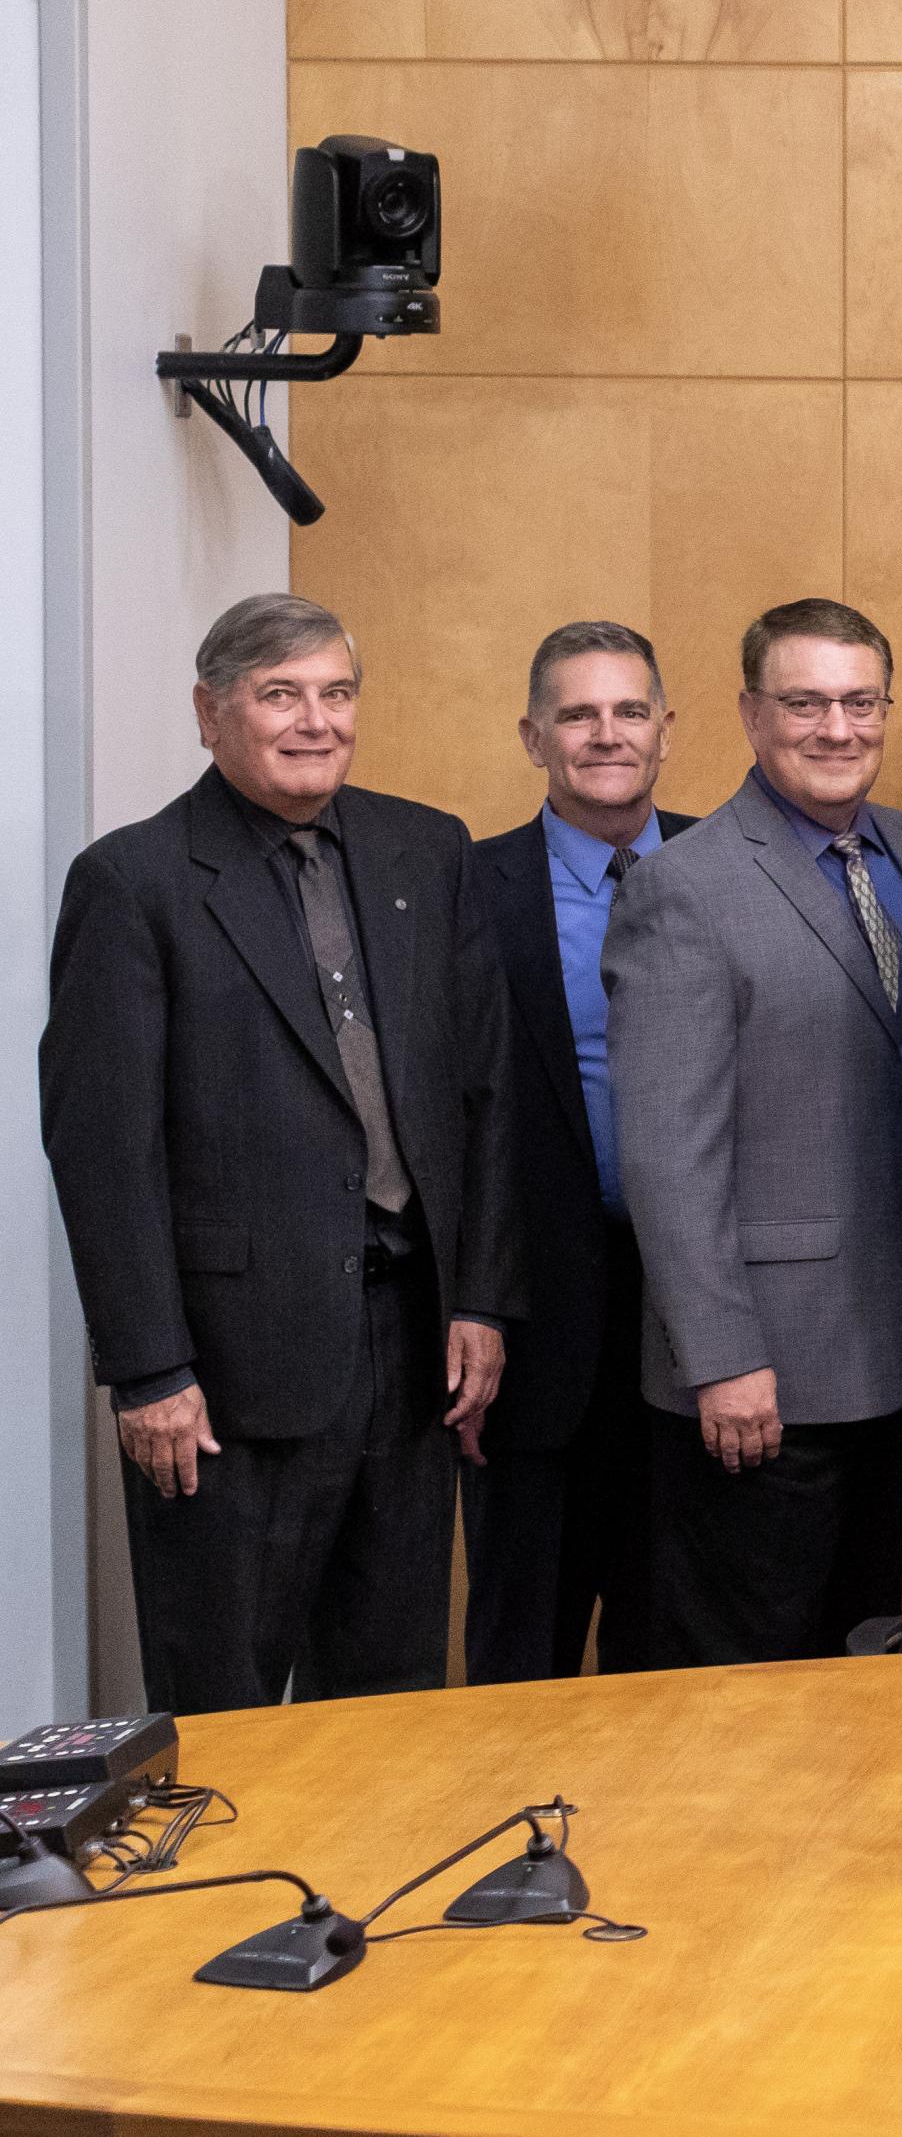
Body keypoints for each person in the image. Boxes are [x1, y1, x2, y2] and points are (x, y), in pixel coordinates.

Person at [44, 594, 510, 1710]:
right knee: (227, 1701)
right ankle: (237, 1894)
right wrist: (150, 1371)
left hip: (413, 1357)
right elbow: (101, 1148)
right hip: (227, 1375)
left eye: (337, 693)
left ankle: (375, 1885)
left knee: (391, 1688)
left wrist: (482, 1301)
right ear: (211, 715)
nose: (316, 722)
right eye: (280, 696)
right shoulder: (136, 881)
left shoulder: (425, 849)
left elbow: (481, 1099)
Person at [605, 600, 902, 1666]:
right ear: (751, 715)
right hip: (765, 1382)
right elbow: (666, 1152)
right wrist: (722, 1356)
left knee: (888, 1668)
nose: (836, 729)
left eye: (858, 702)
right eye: (804, 703)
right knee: (751, 1689)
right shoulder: (684, 887)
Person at [460, 620, 689, 1682]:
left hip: (698, 1344)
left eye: (630, 710)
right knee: (523, 1662)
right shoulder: (464, 891)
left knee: (680, 1667)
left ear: (665, 731)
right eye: (578, 714)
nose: (607, 735)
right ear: (533, 736)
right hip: (529, 1340)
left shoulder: (731, 866)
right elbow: (440, 1123)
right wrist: (466, 1314)